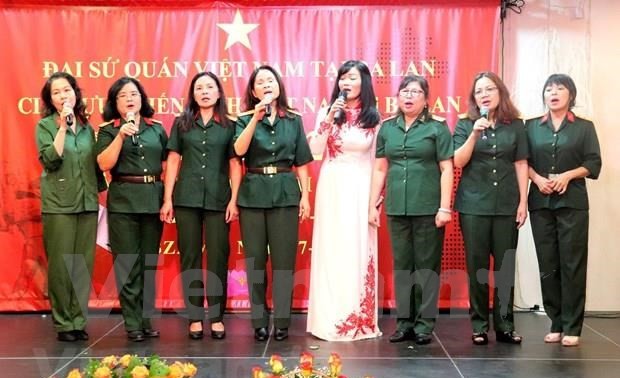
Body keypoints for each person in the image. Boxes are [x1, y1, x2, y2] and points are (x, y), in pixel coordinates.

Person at [368, 75, 454, 345]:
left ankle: (425, 324)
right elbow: (381, 168)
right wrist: (372, 204)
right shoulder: (388, 128)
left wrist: (444, 207)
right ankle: (404, 322)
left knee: (426, 267)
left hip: (428, 207)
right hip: (396, 207)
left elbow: (447, 169)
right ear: (397, 97)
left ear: (426, 98)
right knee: (403, 266)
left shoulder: (437, 128)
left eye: (415, 92)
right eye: (404, 91)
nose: (409, 96)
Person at [233, 65, 313, 341]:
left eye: (270, 80)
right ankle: (259, 320)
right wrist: (255, 118)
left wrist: (306, 195)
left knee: (283, 262)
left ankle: (281, 321)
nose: (266, 85)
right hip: (253, 193)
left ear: (279, 86)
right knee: (255, 260)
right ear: (254, 91)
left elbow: (302, 162)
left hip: (285, 192)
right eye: (260, 82)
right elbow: (239, 151)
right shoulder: (244, 119)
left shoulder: (293, 119)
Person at [160, 72, 242, 340]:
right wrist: (168, 198)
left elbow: (234, 164)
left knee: (218, 256)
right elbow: (173, 160)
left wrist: (234, 199)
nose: (204, 91)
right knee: (191, 257)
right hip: (186, 198)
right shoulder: (182, 123)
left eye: (210, 87)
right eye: (199, 88)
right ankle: (195, 317)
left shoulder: (230, 125)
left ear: (219, 93)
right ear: (193, 95)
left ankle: (216, 317)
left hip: (219, 198)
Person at [306, 60, 382, 341]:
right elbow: (313, 150)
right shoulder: (328, 112)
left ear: (364, 81)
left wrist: (376, 200)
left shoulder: (374, 118)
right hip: (332, 184)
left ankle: (358, 318)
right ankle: (328, 318)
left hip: (361, 186)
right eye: (342, 78)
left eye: (351, 77)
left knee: (358, 250)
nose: (345, 83)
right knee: (332, 249)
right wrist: (327, 118)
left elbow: (378, 162)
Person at [526, 74, 601, 347]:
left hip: (573, 204)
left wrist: (568, 175)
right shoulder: (531, 126)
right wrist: (536, 179)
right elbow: (524, 161)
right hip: (541, 203)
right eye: (549, 88)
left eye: (560, 88)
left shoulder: (584, 127)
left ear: (571, 94)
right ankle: (555, 322)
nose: (553, 93)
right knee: (548, 264)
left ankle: (572, 325)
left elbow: (594, 163)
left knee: (572, 264)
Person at [453, 71, 528, 345]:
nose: (484, 94)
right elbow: (458, 161)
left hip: (507, 203)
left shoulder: (516, 125)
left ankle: (505, 325)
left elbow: (521, 163)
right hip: (474, 204)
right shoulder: (465, 124)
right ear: (474, 98)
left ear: (500, 92)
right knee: (478, 267)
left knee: (505, 266)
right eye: (479, 91)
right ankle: (479, 325)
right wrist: (474, 134)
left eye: (489, 89)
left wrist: (523, 201)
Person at [96, 77, 168, 342]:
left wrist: (167, 199)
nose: (129, 98)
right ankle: (133, 322)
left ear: (142, 99)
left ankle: (147, 319)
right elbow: (104, 164)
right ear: (115, 102)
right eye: (123, 95)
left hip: (152, 198)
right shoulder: (108, 130)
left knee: (148, 262)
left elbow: (167, 163)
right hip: (123, 200)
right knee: (128, 263)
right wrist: (120, 136)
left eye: (134, 94)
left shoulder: (156, 128)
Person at [36, 72, 106, 342]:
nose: (63, 95)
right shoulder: (45, 126)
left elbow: (94, 166)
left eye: (67, 90)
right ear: (50, 99)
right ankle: (64, 322)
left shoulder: (88, 127)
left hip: (87, 202)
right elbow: (51, 160)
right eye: (57, 92)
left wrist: (102, 195)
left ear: (75, 93)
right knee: (61, 266)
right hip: (59, 205)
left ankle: (78, 320)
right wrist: (63, 128)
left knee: (82, 266)